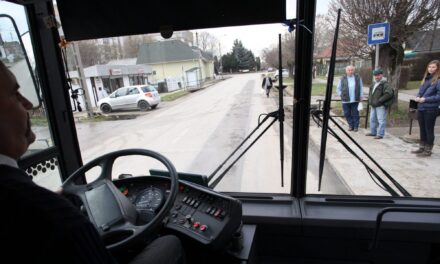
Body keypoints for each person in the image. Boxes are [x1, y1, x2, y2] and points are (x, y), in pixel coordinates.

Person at [0, 61, 184, 263]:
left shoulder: (26, 203)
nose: (27, 103)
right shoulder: (55, 217)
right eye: (15, 94)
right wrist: (55, 205)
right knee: (169, 243)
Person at [411, 60, 440, 157]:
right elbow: (421, 92)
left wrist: (425, 99)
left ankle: (428, 150)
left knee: (429, 129)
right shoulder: (426, 79)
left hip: (431, 109)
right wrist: (418, 97)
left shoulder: (438, 80)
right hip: (421, 107)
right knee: (422, 129)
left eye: (433, 67)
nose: (431, 69)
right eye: (429, 67)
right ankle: (421, 147)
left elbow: (438, 96)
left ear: (437, 68)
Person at [365, 69, 394, 139]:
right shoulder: (374, 83)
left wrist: (380, 100)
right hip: (373, 105)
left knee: (381, 120)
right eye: (375, 75)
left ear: (381, 75)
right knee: (372, 119)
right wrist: (370, 100)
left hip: (381, 106)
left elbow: (389, 93)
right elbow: (371, 93)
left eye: (378, 75)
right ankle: (373, 132)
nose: (376, 77)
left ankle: (380, 134)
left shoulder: (385, 84)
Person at [336, 65, 364, 132]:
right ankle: (351, 125)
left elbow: (361, 88)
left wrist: (361, 96)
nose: (350, 71)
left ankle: (356, 127)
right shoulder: (342, 78)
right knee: (347, 113)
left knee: (355, 114)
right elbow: (338, 89)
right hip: (345, 100)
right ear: (346, 71)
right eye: (349, 70)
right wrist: (341, 95)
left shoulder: (357, 78)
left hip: (355, 100)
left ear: (354, 71)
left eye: (352, 70)